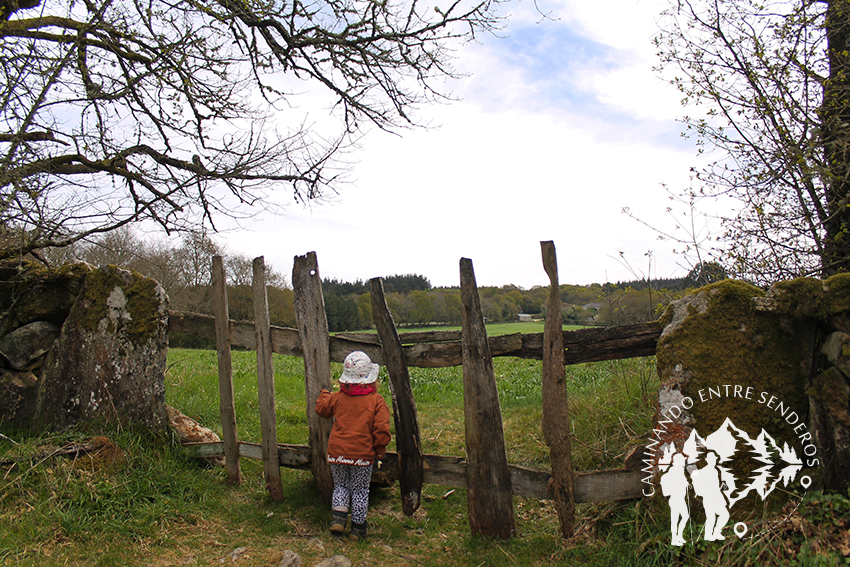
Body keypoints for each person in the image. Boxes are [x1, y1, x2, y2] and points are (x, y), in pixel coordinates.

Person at [315, 351, 391, 541]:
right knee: (360, 490)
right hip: (362, 455)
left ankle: (338, 520)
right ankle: (358, 529)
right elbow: (381, 428)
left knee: (340, 486)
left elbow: (321, 409)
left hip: (337, 453)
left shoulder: (338, 397)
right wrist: (380, 448)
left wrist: (324, 394)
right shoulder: (376, 401)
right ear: (371, 379)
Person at [659, 452, 690, 546]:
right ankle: (674, 539)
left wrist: (686, 485)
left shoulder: (680, 473)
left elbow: (684, 483)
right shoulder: (670, 475)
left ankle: (679, 536)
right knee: (675, 519)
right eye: (681, 462)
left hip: (681, 498)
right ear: (676, 462)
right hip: (675, 499)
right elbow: (666, 492)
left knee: (685, 517)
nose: (683, 464)